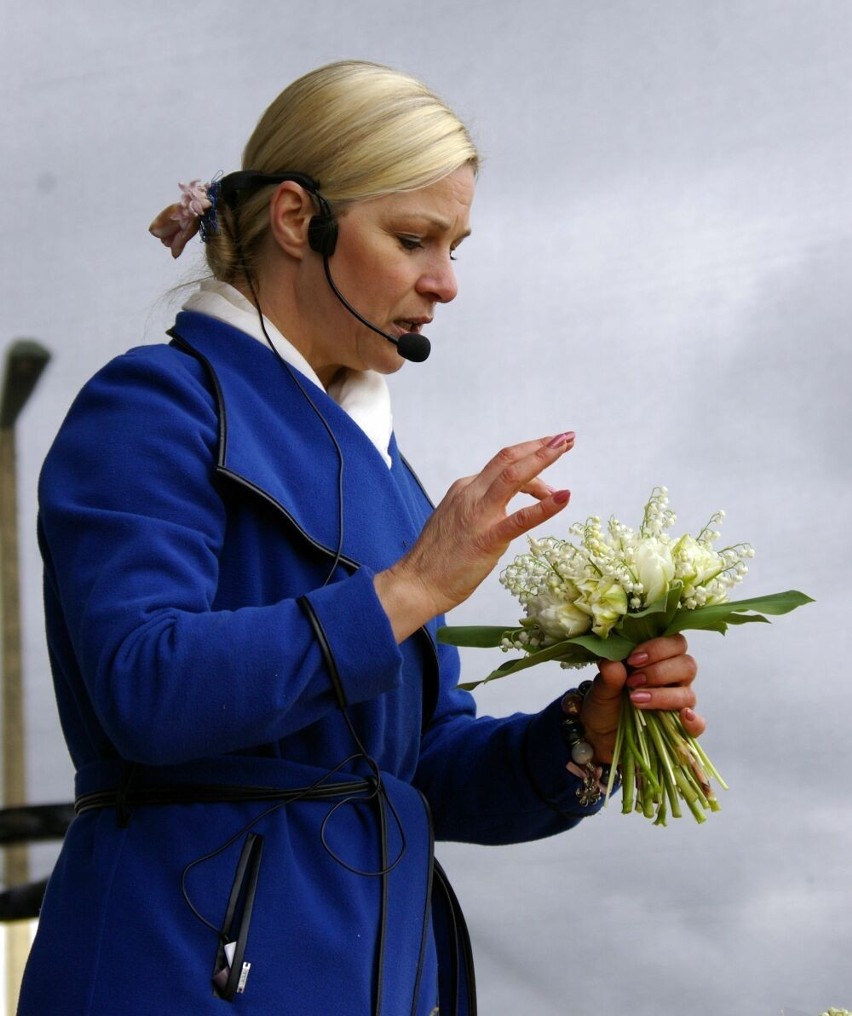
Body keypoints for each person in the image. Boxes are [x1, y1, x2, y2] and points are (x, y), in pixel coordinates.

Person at [17, 60, 703, 1015]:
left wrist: (586, 730)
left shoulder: (390, 472)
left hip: (383, 974)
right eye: (415, 238)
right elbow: (144, 684)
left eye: (457, 245)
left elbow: (418, 769)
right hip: (180, 967)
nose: (447, 283)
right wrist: (409, 590)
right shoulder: (153, 404)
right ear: (298, 220)